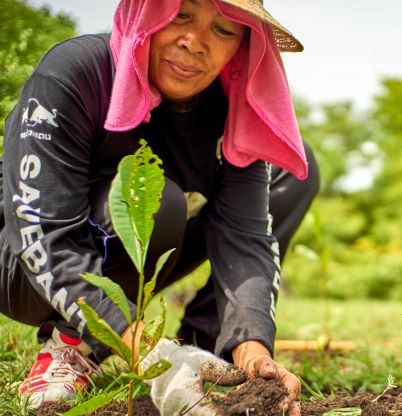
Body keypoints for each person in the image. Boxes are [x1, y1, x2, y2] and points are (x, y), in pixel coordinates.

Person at [0, 0, 319, 413]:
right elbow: (43, 230)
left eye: (223, 31)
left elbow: (246, 236)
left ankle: (208, 352)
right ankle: (74, 343)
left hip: (123, 255)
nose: (195, 43)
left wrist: (253, 353)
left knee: (292, 169)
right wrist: (151, 354)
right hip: (20, 264)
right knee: (153, 199)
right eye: (181, 15)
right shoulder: (75, 73)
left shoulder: (233, 107)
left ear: (243, 46)